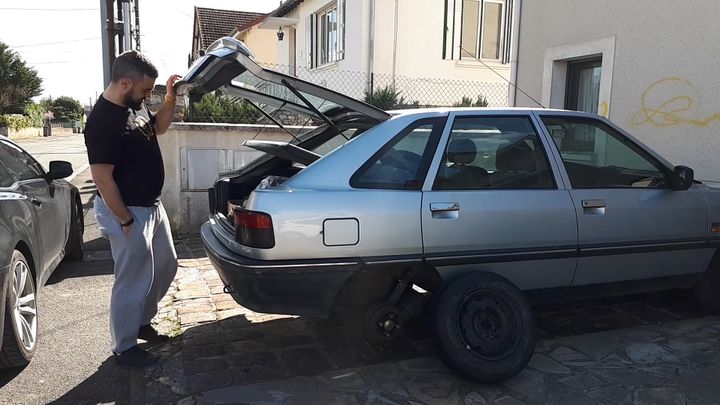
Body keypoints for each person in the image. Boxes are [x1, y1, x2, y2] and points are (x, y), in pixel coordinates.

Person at [84, 50, 182, 367]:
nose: (146, 96)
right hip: (127, 211)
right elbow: (101, 177)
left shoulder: (133, 109)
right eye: (144, 90)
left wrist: (170, 97)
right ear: (125, 83)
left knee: (166, 265)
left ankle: (140, 322)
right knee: (131, 281)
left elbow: (160, 128)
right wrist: (125, 219)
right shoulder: (102, 120)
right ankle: (124, 347)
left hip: (151, 207)